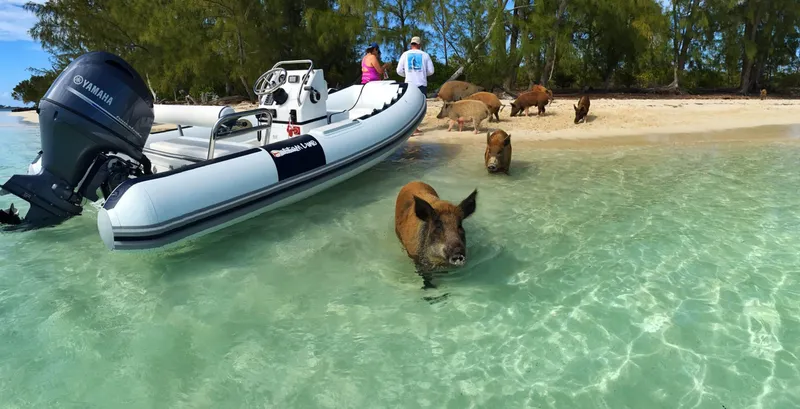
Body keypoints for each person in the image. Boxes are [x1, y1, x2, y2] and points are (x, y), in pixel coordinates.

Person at [396, 36, 434, 135]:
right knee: (419, 107)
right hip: (421, 84)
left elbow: (399, 71)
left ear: (411, 44)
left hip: (409, 84)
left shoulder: (405, 54)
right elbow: (431, 71)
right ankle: (415, 128)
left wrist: (407, 74)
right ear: (419, 44)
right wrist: (423, 73)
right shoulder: (425, 55)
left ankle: (409, 128)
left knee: (409, 106)